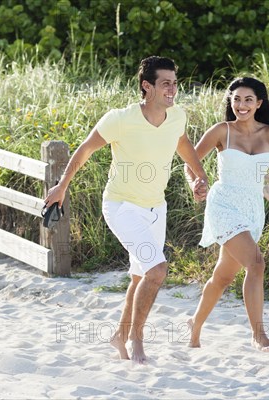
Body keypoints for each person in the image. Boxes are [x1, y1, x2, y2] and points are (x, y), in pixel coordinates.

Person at [44, 56, 208, 363]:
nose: (172, 90)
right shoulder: (120, 119)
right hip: (121, 206)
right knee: (157, 271)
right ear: (147, 86)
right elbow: (85, 150)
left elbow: (183, 143)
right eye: (165, 84)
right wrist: (62, 185)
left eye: (175, 83)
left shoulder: (177, 116)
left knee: (139, 277)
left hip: (156, 207)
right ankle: (136, 339)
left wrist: (199, 176)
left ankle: (119, 336)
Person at [184, 77, 269, 351]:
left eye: (248, 100)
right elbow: (190, 162)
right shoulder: (221, 131)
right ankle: (258, 335)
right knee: (257, 264)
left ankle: (195, 323)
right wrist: (195, 183)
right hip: (224, 204)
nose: (241, 105)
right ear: (231, 102)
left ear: (258, 103)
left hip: (253, 208)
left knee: (223, 277)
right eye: (236, 99)